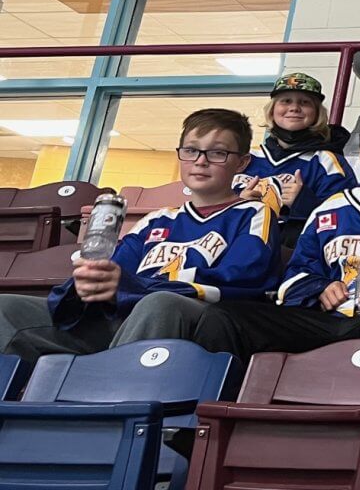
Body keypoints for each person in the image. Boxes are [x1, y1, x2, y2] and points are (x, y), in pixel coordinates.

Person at [0, 109, 281, 363]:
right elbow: (119, 272)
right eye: (191, 150)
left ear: (242, 163)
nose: (201, 161)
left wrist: (139, 287)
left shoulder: (253, 213)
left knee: (159, 303)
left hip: (189, 322)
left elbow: (243, 277)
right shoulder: (156, 219)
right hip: (123, 319)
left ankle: (107, 409)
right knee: (7, 307)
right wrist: (93, 284)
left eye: (217, 153)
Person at [192, 104, 360, 360]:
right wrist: (320, 287)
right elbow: (296, 274)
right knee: (224, 316)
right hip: (323, 323)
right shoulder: (331, 207)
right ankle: (212, 409)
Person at [238, 72, 356, 230]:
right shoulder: (246, 157)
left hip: (293, 251)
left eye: (305, 102)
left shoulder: (328, 162)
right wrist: (236, 204)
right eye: (286, 101)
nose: (294, 108)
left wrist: (304, 203)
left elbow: (346, 218)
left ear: (317, 113)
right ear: (272, 110)